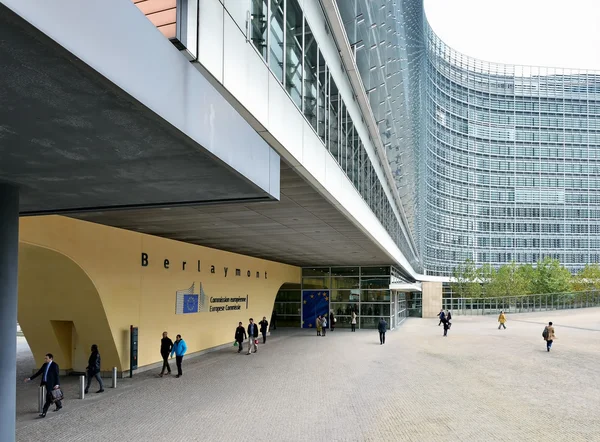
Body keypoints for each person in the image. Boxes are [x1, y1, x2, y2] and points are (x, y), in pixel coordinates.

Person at [24, 353, 62, 417]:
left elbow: (57, 375)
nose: (45, 359)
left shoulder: (55, 365)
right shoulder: (45, 365)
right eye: (45, 358)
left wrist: (57, 384)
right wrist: (30, 378)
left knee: (48, 398)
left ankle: (44, 412)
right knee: (53, 395)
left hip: (52, 384)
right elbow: (38, 372)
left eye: (46, 358)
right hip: (45, 383)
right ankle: (59, 405)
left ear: (51, 358)